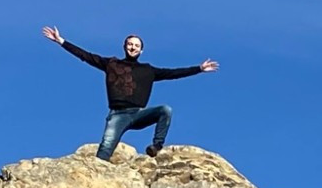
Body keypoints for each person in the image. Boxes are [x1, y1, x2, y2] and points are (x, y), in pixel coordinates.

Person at [42, 27, 219, 160]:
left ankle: (156, 146)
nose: (133, 47)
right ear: (125, 46)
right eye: (130, 44)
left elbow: (173, 73)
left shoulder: (148, 70)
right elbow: (86, 56)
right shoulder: (111, 64)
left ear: (141, 50)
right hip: (117, 115)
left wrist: (199, 69)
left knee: (165, 110)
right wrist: (61, 41)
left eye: (136, 46)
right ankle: (97, 176)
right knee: (104, 150)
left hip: (138, 113)